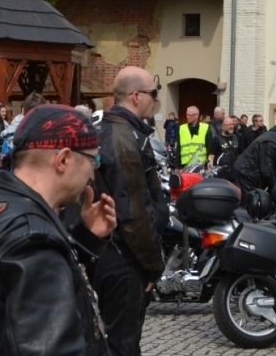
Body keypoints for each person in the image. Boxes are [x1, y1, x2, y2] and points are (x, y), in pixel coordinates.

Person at [0, 105, 117, 356]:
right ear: (63, 159)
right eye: (93, 160)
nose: (92, 175)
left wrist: (84, 237)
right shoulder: (32, 237)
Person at [94, 67, 167, 356]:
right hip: (123, 256)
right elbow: (133, 213)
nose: (156, 100)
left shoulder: (117, 131)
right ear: (137, 96)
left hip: (113, 252)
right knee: (123, 343)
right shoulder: (124, 139)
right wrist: (152, 265)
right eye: (154, 93)